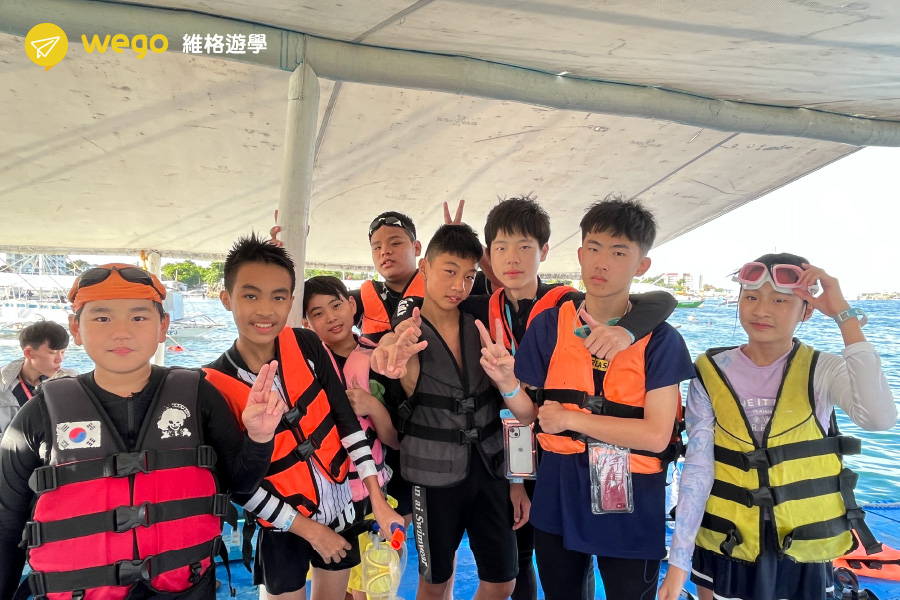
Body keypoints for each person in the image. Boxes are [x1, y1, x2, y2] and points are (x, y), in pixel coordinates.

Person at [391, 195, 678, 600]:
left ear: (544, 252)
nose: (513, 259)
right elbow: (421, 303)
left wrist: (627, 331)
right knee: (523, 558)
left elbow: (661, 300)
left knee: (538, 566)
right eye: (501, 248)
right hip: (527, 460)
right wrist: (394, 334)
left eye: (525, 247)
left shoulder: (567, 305)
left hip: (598, 467)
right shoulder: (484, 307)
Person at [0, 264, 281, 599]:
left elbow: (240, 483)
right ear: (76, 328)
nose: (121, 332)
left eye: (138, 317)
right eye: (102, 318)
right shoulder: (39, 415)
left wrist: (259, 438)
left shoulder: (199, 396)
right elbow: (7, 525)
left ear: (163, 326)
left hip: (185, 590)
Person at [480, 196, 694, 600]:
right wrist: (508, 384)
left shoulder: (662, 340)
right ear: (579, 254)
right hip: (559, 490)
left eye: (619, 252)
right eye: (593, 249)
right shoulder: (549, 325)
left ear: (642, 264)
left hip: (631, 497)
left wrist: (572, 420)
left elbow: (655, 436)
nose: (602, 263)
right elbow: (529, 415)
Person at [658, 254, 897, 600]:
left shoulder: (824, 370)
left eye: (780, 301)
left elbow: (878, 418)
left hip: (803, 546)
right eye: (751, 297)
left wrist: (843, 315)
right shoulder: (710, 370)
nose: (761, 310)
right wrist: (679, 561)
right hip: (726, 542)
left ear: (807, 311)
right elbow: (697, 466)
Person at [203, 235, 404, 600]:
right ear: (227, 299)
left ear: (291, 302)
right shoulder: (213, 385)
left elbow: (347, 425)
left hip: (340, 509)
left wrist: (376, 500)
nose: (266, 310)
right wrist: (312, 531)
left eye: (278, 297)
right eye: (251, 296)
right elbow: (239, 485)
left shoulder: (308, 345)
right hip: (283, 526)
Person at [373, 224, 518, 600]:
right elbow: (391, 352)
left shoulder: (481, 322)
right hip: (432, 477)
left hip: (489, 469)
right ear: (424, 267)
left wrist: (517, 480)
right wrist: (389, 352)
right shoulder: (408, 332)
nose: (459, 285)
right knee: (435, 585)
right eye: (449, 271)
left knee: (503, 581)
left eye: (469, 276)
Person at [302, 276, 400, 600]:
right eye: (317, 313)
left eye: (336, 305)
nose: (331, 317)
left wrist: (372, 406)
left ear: (352, 305)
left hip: (370, 499)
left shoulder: (378, 360)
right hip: (325, 501)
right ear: (306, 322)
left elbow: (394, 440)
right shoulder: (303, 368)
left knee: (369, 591)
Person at [1, 320, 76, 437]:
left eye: (63, 352)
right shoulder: (4, 388)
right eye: (53, 352)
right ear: (29, 353)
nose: (60, 359)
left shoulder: (71, 382)